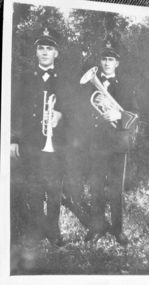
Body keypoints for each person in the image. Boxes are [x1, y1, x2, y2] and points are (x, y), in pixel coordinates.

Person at [76, 37, 140, 245]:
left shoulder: (126, 85)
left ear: (117, 63)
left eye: (110, 59)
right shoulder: (89, 85)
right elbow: (83, 111)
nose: (106, 63)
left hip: (118, 143)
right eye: (103, 59)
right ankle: (97, 228)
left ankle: (118, 230)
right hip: (96, 143)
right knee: (96, 187)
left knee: (116, 189)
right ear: (100, 61)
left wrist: (117, 116)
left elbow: (136, 114)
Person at [10, 27, 68, 250]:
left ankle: (53, 230)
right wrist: (13, 139)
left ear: (56, 53)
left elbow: (73, 109)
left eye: (49, 48)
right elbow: (16, 110)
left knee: (54, 188)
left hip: (56, 143)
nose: (45, 52)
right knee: (33, 187)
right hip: (32, 142)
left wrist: (60, 114)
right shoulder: (24, 77)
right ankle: (36, 229)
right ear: (36, 52)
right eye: (41, 48)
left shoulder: (64, 79)